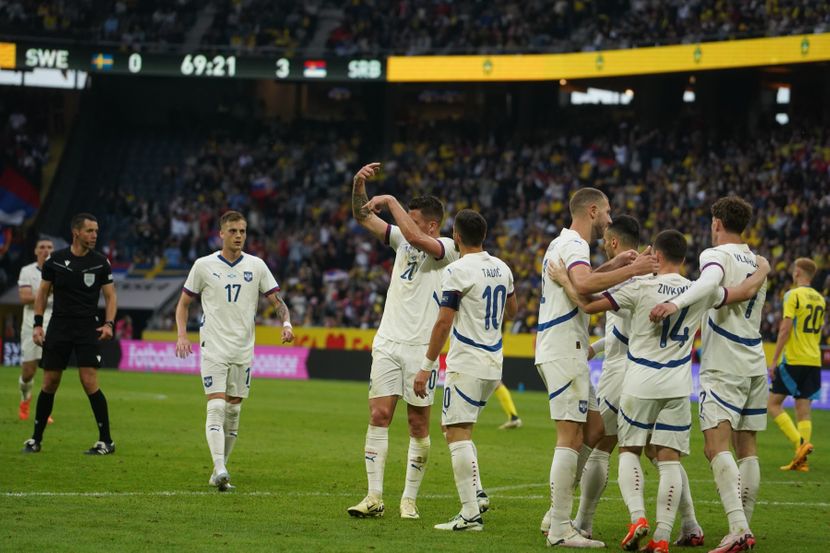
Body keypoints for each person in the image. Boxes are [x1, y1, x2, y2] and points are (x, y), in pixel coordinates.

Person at [554, 230, 768, 552]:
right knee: (668, 460)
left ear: (655, 253)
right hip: (679, 387)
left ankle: (637, 517)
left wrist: (563, 279)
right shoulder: (698, 291)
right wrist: (763, 269)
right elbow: (742, 292)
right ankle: (663, 536)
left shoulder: (639, 286)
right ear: (683, 258)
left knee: (628, 450)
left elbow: (587, 304)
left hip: (640, 382)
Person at [550, 215, 704, 546]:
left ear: (614, 242)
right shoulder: (684, 287)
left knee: (602, 444)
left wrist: (564, 279)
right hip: (672, 380)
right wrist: (597, 347)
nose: (603, 245)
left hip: (627, 372)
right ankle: (688, 524)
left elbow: (588, 301)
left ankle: (581, 521)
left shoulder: (631, 281)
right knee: (662, 454)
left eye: (606, 241)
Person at [536, 187, 658, 548]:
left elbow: (583, 278)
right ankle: (560, 528)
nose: (609, 217)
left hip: (563, 347)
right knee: (570, 437)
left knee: (594, 429)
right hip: (564, 347)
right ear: (592, 211)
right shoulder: (576, 244)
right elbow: (585, 285)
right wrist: (633, 268)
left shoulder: (562, 243)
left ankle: (556, 514)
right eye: (607, 211)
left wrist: (614, 266)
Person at [650, 197, 769, 553]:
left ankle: (738, 528)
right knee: (747, 448)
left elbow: (710, 282)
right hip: (755, 361)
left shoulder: (715, 255)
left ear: (717, 222)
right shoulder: (757, 262)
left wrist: (675, 302)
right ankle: (743, 526)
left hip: (724, 363)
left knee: (715, 446)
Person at [346, 163, 460, 520]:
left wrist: (391, 200)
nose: (405, 224)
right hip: (388, 342)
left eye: (413, 219)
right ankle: (373, 497)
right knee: (379, 415)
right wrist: (359, 186)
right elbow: (363, 217)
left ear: (431, 224)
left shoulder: (447, 248)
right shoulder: (401, 240)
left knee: (417, 424)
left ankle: (409, 498)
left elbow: (415, 238)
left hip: (421, 350)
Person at [175, 210, 294, 491]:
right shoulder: (203, 265)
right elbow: (183, 304)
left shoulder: (257, 266)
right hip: (213, 346)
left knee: (233, 412)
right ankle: (219, 468)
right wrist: (182, 335)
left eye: (242, 231)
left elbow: (277, 301)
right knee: (216, 406)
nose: (238, 236)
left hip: (243, 349)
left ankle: (219, 469)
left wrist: (287, 323)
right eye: (233, 231)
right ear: (221, 234)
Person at [414, 208, 517, 531]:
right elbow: (512, 311)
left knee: (457, 432)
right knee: (454, 428)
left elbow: (444, 322)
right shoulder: (502, 267)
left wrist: (426, 367)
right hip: (493, 362)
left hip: (467, 362)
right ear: (483, 235)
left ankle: (470, 514)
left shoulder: (457, 270)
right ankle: (478, 493)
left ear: (456, 236)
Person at [22, 214, 118, 455]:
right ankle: (35, 439)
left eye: (96, 231)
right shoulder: (55, 260)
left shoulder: (100, 262)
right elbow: (42, 293)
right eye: (90, 231)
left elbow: (110, 297)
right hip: (59, 326)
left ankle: (106, 441)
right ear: (76, 232)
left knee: (89, 381)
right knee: (49, 382)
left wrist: (109, 324)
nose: (94, 235)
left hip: (87, 327)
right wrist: (37, 325)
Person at [768, 257, 825, 472]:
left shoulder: (793, 295)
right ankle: (802, 460)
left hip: (794, 358)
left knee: (773, 404)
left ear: (798, 272)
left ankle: (800, 444)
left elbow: (785, 329)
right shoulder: (820, 299)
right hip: (814, 359)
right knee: (804, 410)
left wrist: (774, 360)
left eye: (794, 270)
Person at [17, 238, 54, 421]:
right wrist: (46, 292)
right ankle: (25, 399)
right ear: (36, 251)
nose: (46, 250)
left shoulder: (60, 270)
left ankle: (45, 411)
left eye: (49, 247)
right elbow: (24, 298)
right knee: (28, 372)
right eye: (42, 247)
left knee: (51, 371)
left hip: (54, 322)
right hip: (31, 323)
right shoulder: (27, 271)